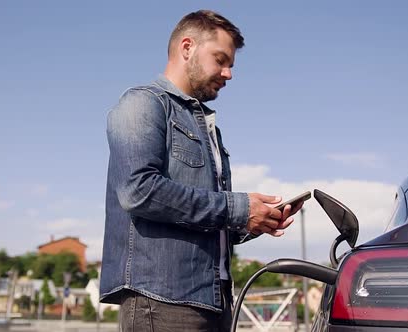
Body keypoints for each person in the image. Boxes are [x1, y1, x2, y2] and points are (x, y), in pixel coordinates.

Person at [100, 9, 302, 331]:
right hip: (162, 300)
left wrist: (255, 220)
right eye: (220, 60)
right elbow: (138, 191)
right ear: (187, 47)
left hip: (215, 300)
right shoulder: (143, 103)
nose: (228, 73)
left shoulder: (208, 129)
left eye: (231, 65)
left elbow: (203, 215)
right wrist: (238, 208)